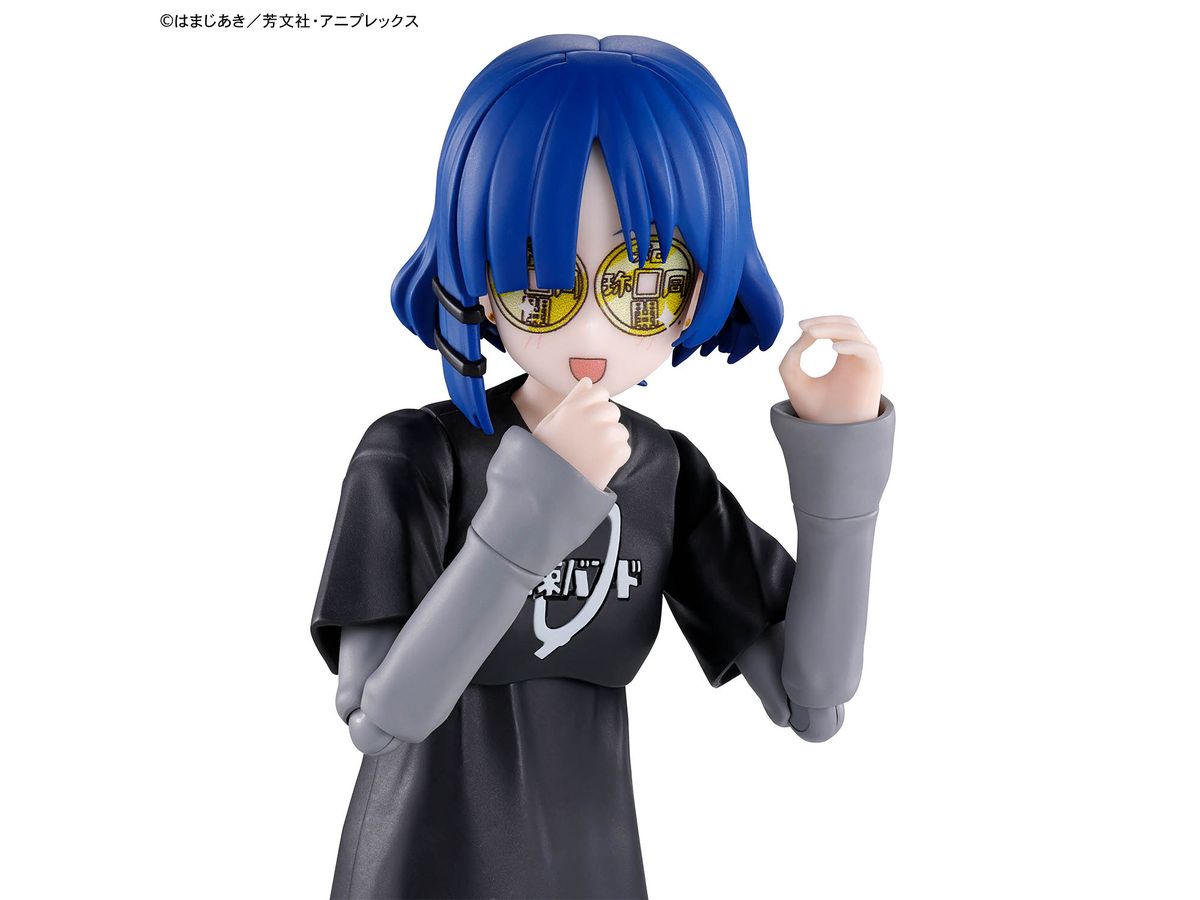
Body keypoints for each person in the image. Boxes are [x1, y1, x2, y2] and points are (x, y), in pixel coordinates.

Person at [311, 34, 896, 900]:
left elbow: (812, 703)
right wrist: (537, 505)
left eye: (642, 284)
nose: (591, 331)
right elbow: (378, 718)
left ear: (698, 289)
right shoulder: (413, 456)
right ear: (480, 282)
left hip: (595, 865)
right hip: (426, 869)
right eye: (540, 282)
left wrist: (841, 468)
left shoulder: (664, 472)